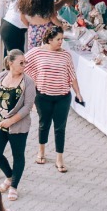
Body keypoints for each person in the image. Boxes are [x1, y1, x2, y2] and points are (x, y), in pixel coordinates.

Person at [24, 25, 83, 174]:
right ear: (49, 40)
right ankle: (41, 152)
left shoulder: (66, 55)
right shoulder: (37, 52)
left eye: (62, 39)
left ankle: (59, 158)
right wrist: (31, 83)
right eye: (58, 39)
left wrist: (78, 93)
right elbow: (22, 65)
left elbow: (72, 75)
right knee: (44, 124)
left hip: (63, 97)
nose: (60, 42)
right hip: (43, 97)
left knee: (60, 128)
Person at [0, 49, 34, 202]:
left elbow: (28, 107)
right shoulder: (1, 76)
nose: (24, 65)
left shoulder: (28, 82)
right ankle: (9, 175)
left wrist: (11, 121)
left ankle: (14, 186)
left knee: (18, 156)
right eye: (21, 62)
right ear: (10, 63)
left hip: (17, 127)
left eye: (24, 62)